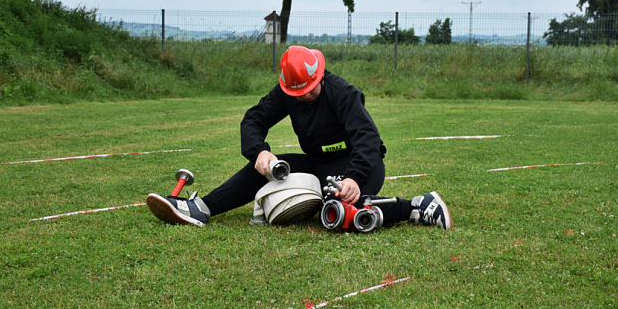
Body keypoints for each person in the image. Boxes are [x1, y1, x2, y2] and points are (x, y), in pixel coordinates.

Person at [146, 45, 452, 230]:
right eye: (297, 93)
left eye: (309, 90)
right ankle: (202, 209)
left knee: (337, 215)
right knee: (270, 168)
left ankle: (418, 207)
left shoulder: (342, 94)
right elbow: (254, 118)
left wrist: (355, 178)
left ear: (318, 76)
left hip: (359, 166)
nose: (303, 96)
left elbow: (368, 139)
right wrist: (259, 153)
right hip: (317, 164)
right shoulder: (287, 92)